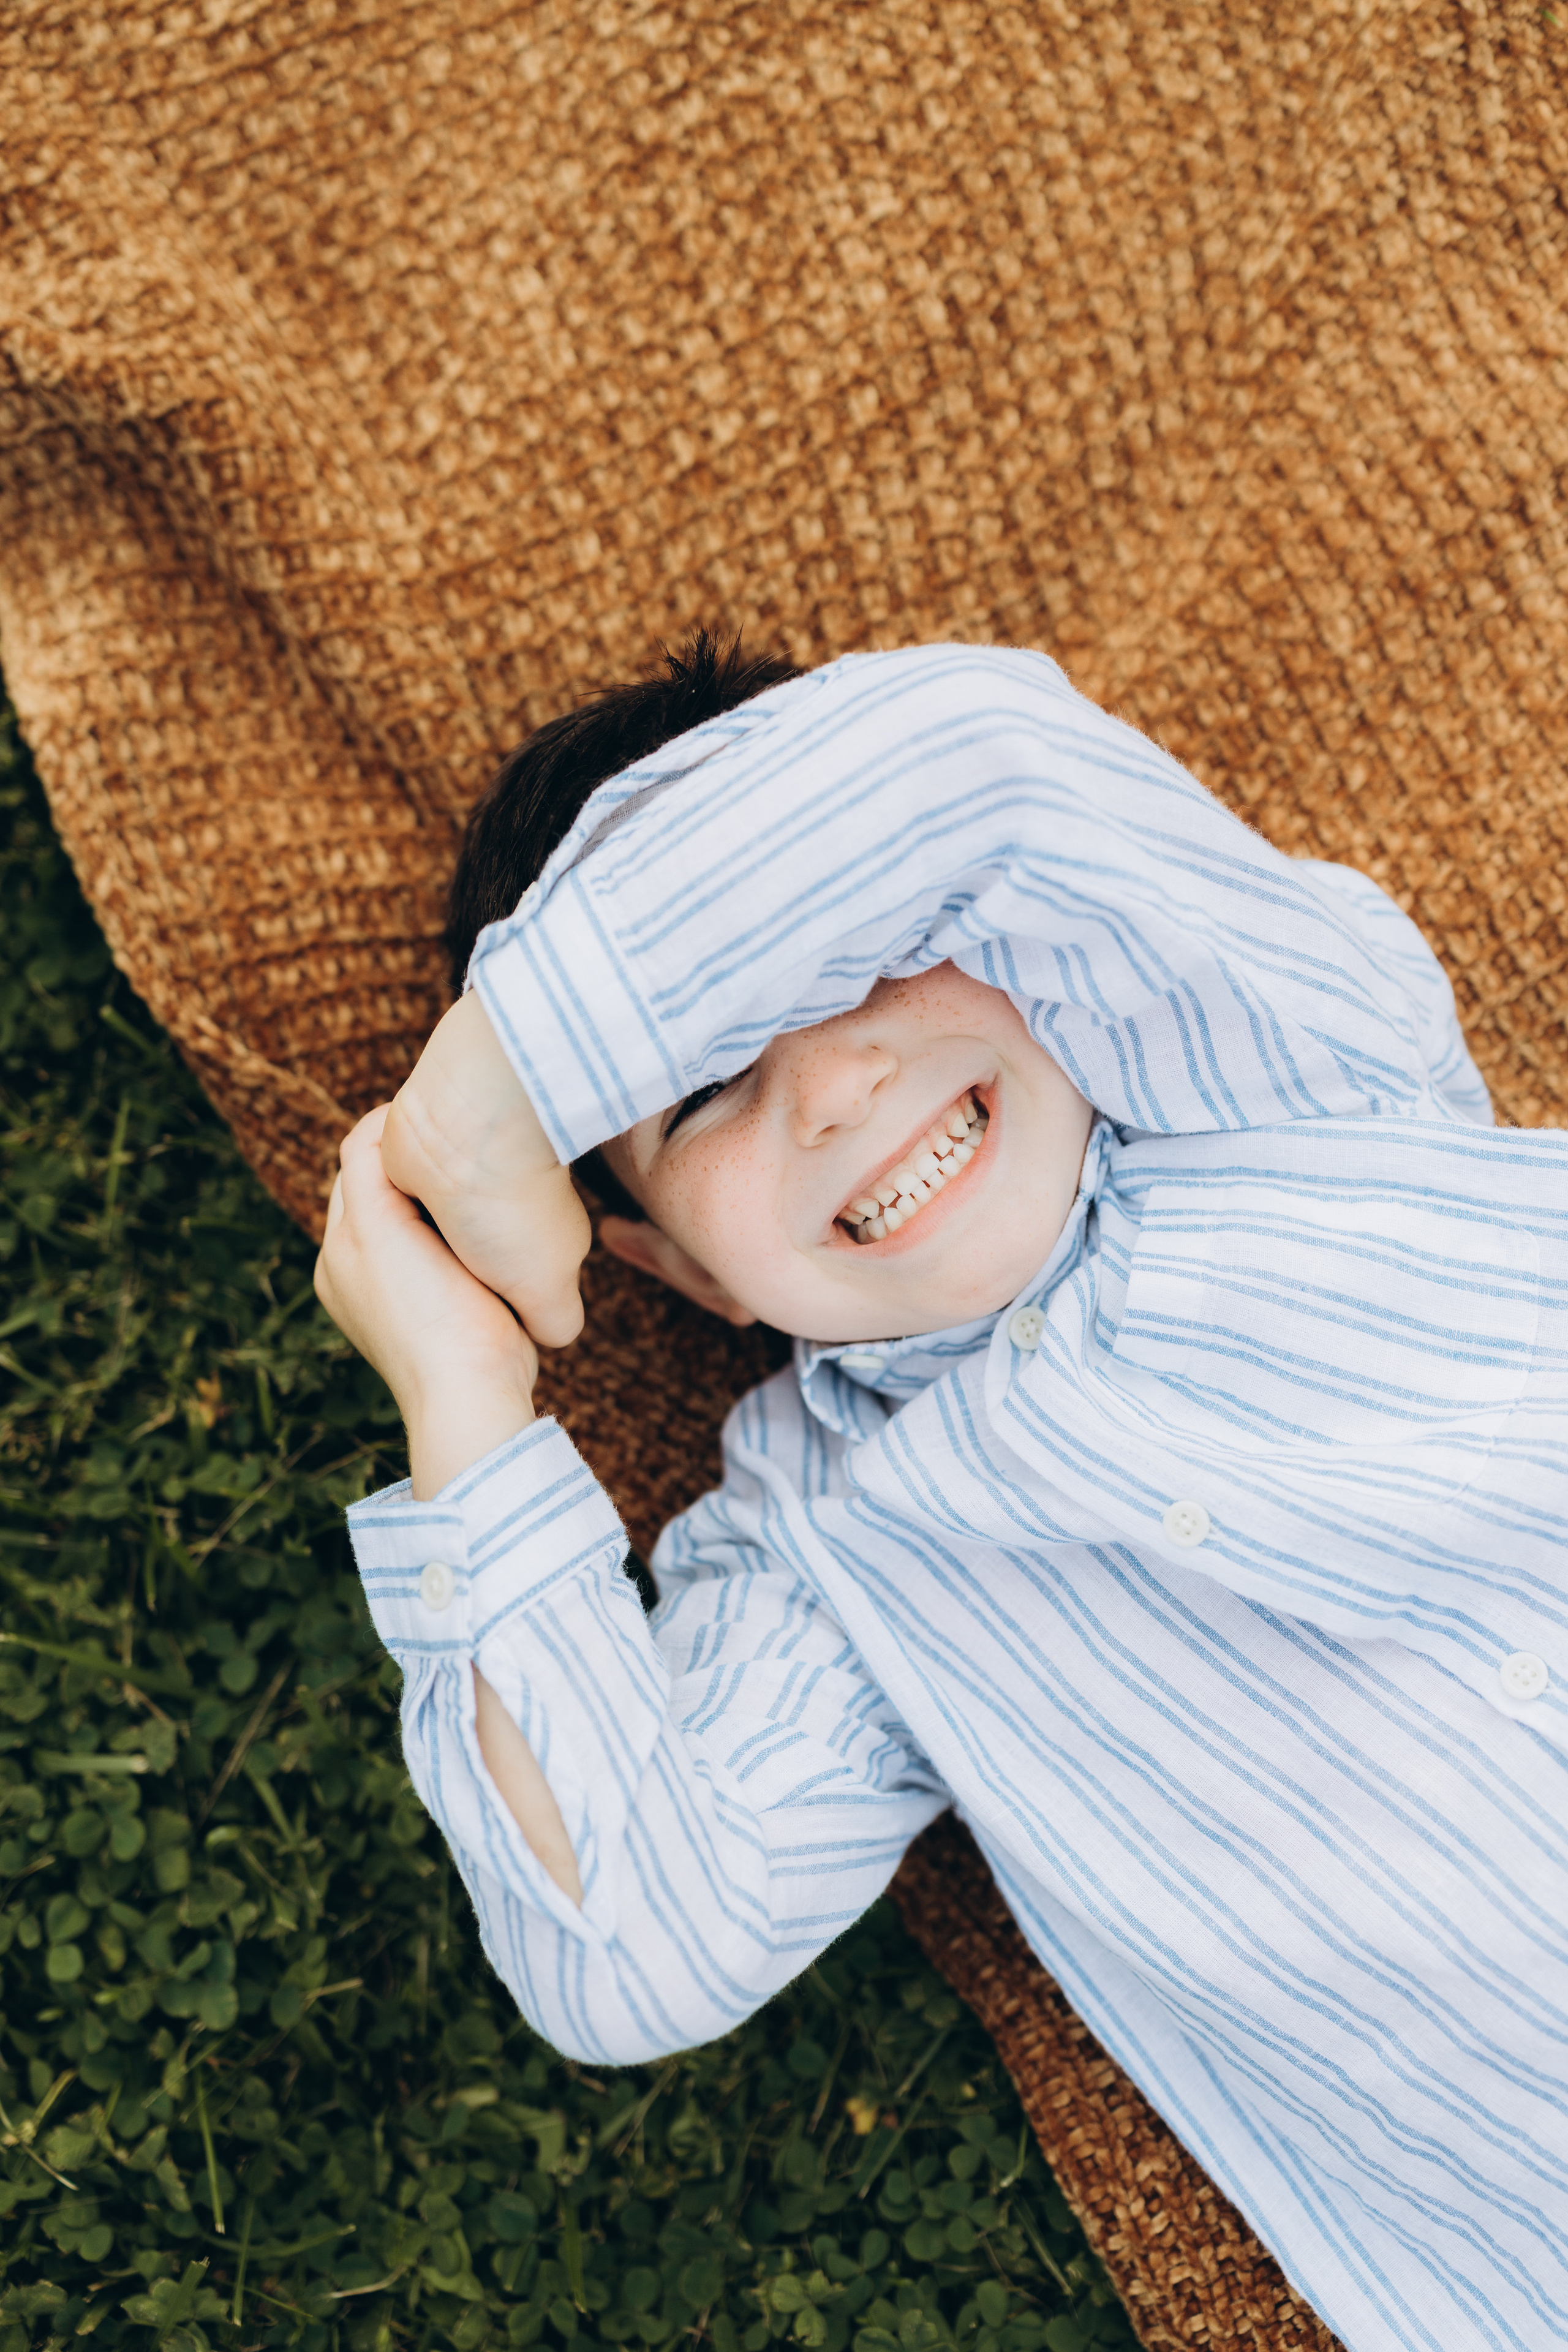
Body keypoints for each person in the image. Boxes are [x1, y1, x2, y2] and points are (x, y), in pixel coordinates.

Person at [315, 633, 1568, 2352]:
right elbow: (636, 1946)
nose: (836, 1083)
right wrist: (465, 1398)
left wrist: (495, 1088)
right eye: (707, 1093)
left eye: (876, 955)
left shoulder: (1285, 1067)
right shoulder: (824, 1552)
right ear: (672, 1269)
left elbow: (969, 762)